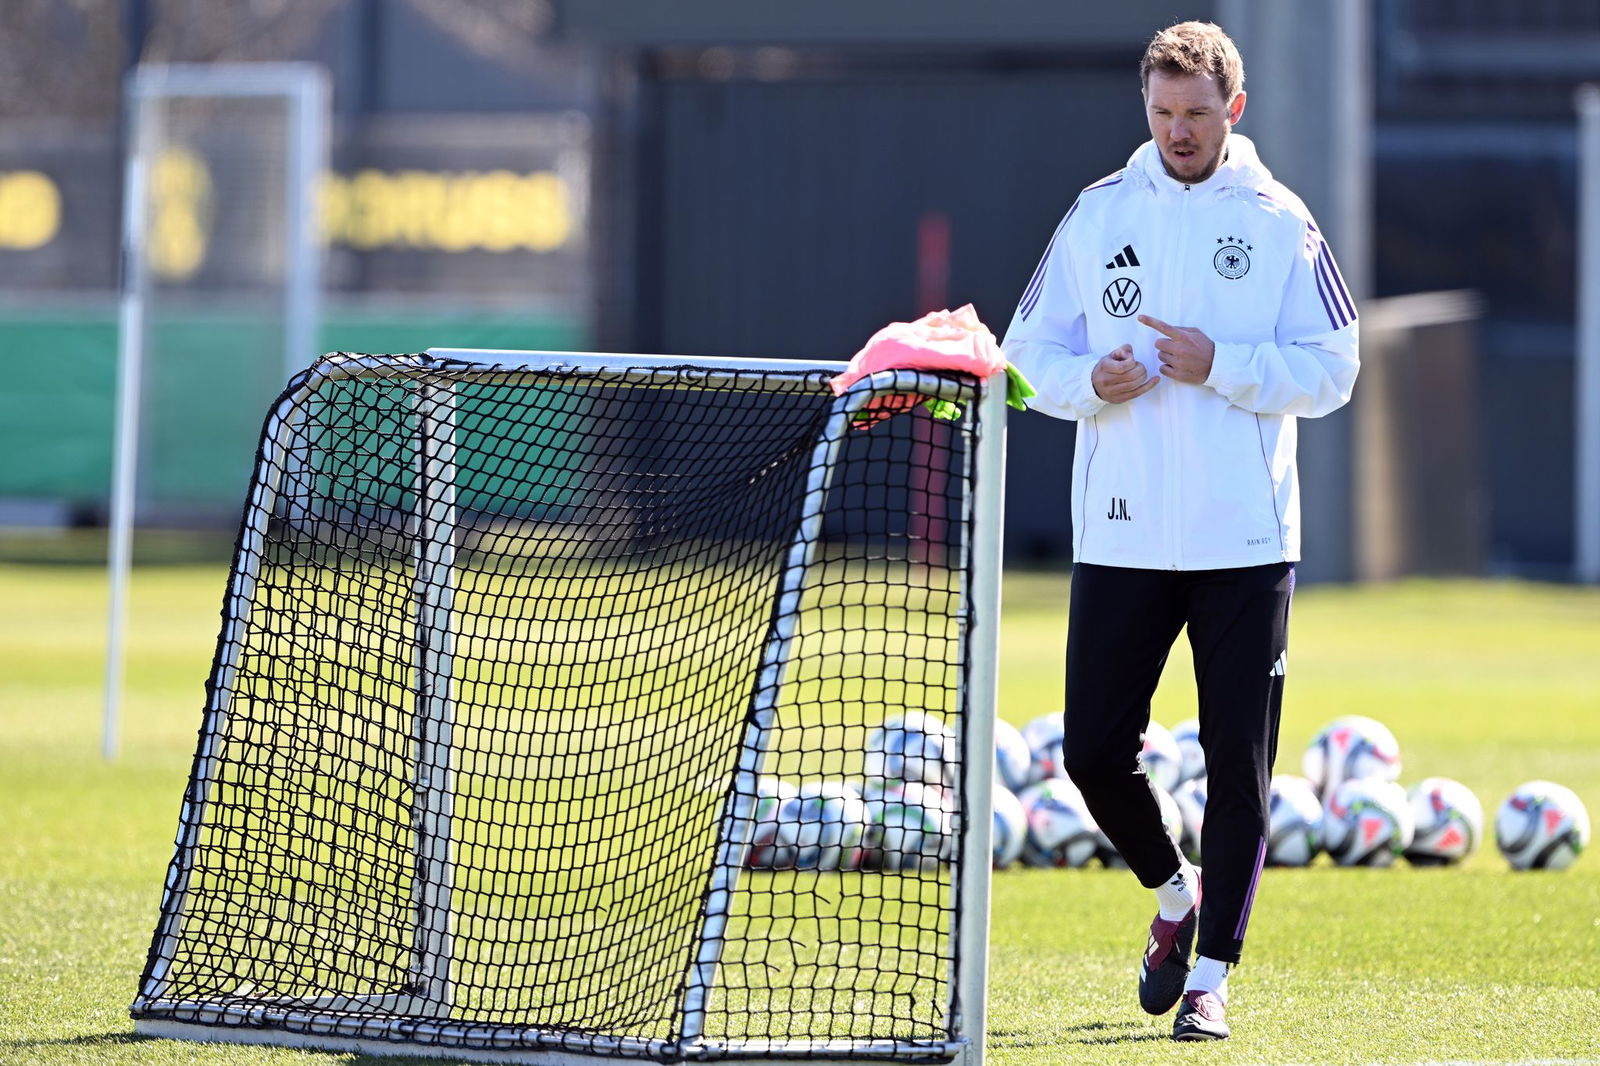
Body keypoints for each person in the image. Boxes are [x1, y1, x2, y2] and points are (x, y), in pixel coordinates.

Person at [1000, 20, 1359, 1042]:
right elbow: (1026, 358)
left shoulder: (1281, 219)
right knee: (1091, 752)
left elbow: (1334, 368)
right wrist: (1086, 385)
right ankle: (1172, 896)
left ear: (1231, 110)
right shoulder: (1096, 213)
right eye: (1161, 113)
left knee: (1235, 767)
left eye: (1195, 113)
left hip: (1244, 540)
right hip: (1119, 533)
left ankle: (1210, 978)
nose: (1177, 131)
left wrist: (1225, 362)